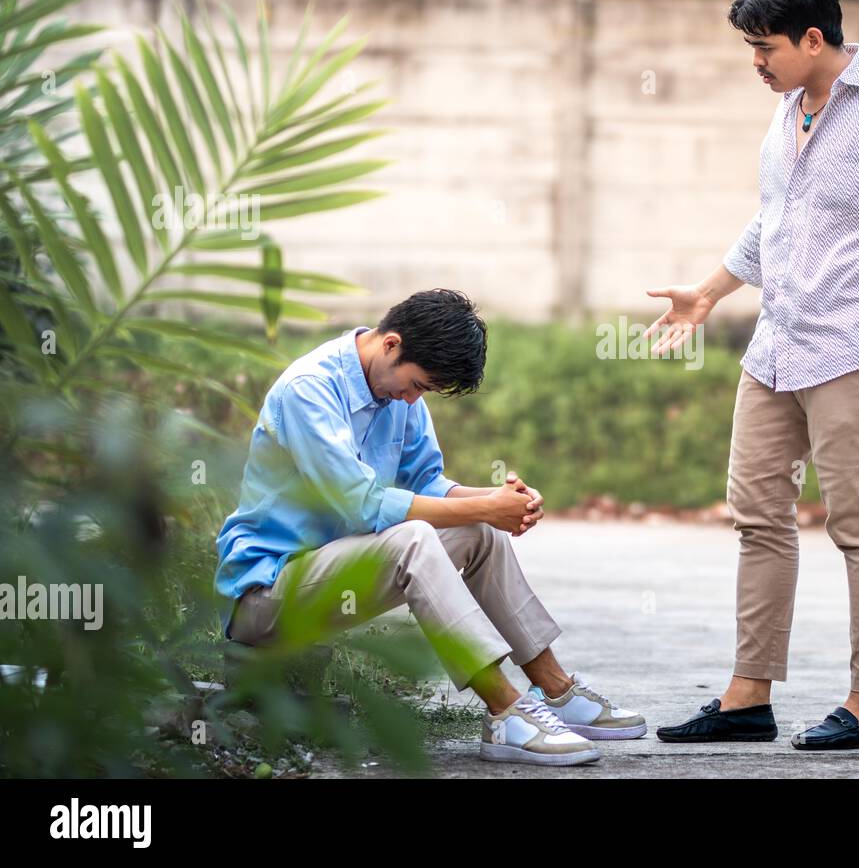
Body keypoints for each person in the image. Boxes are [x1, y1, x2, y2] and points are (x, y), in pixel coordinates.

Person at [650, 0, 859, 750]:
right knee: (758, 517)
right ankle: (747, 697)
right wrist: (710, 292)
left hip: (854, 349)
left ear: (811, 38)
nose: (755, 63)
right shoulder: (789, 110)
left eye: (764, 47)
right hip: (775, 348)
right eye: (748, 48)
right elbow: (773, 221)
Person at [214, 288, 645, 766]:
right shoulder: (309, 390)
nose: (414, 398)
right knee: (414, 539)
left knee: (478, 534)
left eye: (424, 392)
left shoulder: (398, 391)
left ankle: (556, 691)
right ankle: (506, 712)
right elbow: (362, 504)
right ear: (391, 344)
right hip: (267, 595)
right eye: (416, 385)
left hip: (337, 574)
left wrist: (500, 501)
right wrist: (484, 508)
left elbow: (428, 484)